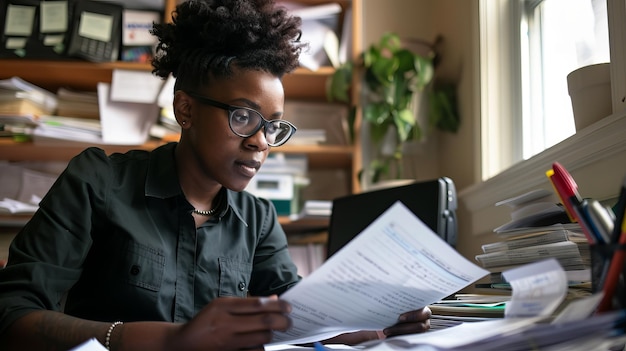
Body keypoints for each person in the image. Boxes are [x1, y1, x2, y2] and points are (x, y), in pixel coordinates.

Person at [0, 0, 431, 350]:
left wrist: (375, 320)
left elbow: (300, 318)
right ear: (185, 109)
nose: (261, 141)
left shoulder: (258, 221)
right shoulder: (98, 182)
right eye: (244, 116)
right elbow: (14, 314)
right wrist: (164, 341)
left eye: (272, 124)